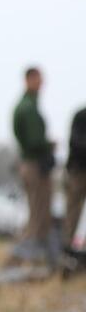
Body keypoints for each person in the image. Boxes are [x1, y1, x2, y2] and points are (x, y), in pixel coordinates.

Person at [11, 66, 57, 265]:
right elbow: (33, 141)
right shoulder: (28, 107)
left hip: (30, 163)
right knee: (38, 217)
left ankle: (32, 259)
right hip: (34, 165)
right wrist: (49, 145)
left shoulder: (28, 104)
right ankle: (21, 261)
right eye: (38, 79)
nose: (41, 83)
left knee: (38, 216)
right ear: (29, 79)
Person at [64, 106, 86, 252]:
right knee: (73, 212)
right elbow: (75, 141)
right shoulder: (81, 116)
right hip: (78, 170)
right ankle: (67, 249)